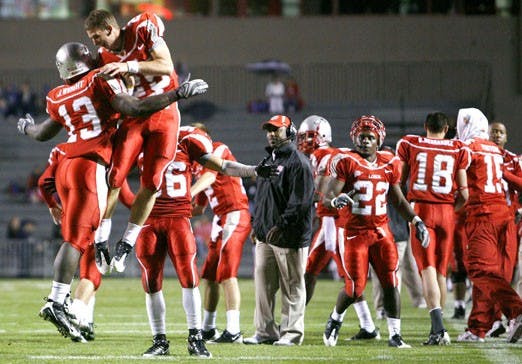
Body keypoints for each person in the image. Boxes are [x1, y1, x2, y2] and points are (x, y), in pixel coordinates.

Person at [17, 41, 208, 342]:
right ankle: (56, 301)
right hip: (90, 165)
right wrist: (176, 94)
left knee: (75, 239)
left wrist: (25, 127)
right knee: (78, 240)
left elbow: (41, 133)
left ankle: (62, 301)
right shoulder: (96, 81)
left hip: (66, 164)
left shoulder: (56, 95)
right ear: (84, 63)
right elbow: (133, 107)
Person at [133, 125, 276, 357]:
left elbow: (216, 171)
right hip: (171, 218)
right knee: (202, 275)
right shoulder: (149, 145)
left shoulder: (210, 151)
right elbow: (198, 207)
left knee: (214, 274)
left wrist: (253, 170)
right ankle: (202, 329)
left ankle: (224, 330)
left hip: (227, 213)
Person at [84, 9, 186, 273]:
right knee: (115, 176)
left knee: (152, 182)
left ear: (109, 28)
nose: (95, 42)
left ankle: (127, 242)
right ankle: (101, 238)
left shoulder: (142, 27)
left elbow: (166, 65)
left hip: (164, 113)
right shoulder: (103, 57)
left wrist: (128, 66)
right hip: (136, 114)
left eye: (97, 36)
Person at [321, 115, 430, 349]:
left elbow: (399, 200)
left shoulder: (390, 163)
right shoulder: (345, 161)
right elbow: (328, 197)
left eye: (370, 137)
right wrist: (335, 199)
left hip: (381, 232)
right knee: (355, 288)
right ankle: (335, 319)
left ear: (379, 139)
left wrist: (416, 220)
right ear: (354, 138)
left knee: (391, 283)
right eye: (362, 137)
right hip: (354, 233)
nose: (365, 141)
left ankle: (395, 335)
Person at [297, 115, 379, 340]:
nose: (304, 141)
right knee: (312, 271)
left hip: (336, 223)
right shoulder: (332, 154)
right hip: (330, 221)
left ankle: (293, 321)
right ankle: (368, 325)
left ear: (322, 136)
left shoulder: (325, 156)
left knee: (343, 277)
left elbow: (321, 193)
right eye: (302, 136)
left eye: (309, 136)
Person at [396, 112, 469, 345]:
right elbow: (465, 194)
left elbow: (400, 182)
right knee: (440, 272)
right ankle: (440, 329)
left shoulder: (411, 143)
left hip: (422, 210)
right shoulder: (457, 148)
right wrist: (450, 209)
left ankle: (438, 329)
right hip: (447, 211)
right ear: (446, 128)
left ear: (425, 126)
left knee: (426, 268)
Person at [243, 115, 314, 346]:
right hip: (266, 234)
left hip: (288, 235)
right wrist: (257, 224)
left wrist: (281, 225)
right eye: (269, 130)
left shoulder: (298, 162)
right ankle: (265, 332)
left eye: (276, 130)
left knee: (292, 286)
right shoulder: (268, 160)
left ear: (289, 132)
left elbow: (301, 202)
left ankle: (292, 334)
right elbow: (263, 199)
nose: (271, 134)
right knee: (263, 286)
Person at [455, 108, 522, 344]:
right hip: (503, 215)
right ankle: (478, 328)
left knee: (479, 269)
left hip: (482, 214)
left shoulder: (467, 147)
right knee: (489, 273)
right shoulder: (494, 148)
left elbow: (457, 180)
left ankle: (516, 310)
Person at [190, 124, 252, 344]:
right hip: (220, 218)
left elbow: (209, 177)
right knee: (208, 276)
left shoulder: (218, 149)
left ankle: (233, 330)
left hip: (235, 213)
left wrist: (188, 191)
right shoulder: (196, 166)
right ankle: (208, 329)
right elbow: (198, 208)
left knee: (226, 273)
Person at [485, 121, 522, 338]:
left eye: (501, 132)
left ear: (506, 137)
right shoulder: (478, 154)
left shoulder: (512, 159)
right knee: (487, 271)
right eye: (494, 132)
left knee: (506, 272)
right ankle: (494, 319)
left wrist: (504, 174)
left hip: (507, 221)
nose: (497, 135)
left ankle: (504, 318)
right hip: (485, 220)